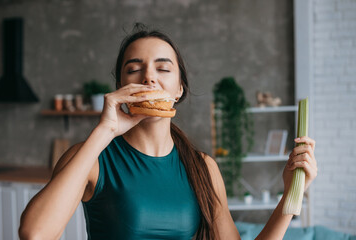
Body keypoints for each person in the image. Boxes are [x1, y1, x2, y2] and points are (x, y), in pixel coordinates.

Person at [19, 24, 318, 240]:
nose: (148, 77)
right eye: (134, 68)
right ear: (121, 85)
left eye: (163, 69)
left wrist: (291, 194)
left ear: (179, 90)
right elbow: (35, 233)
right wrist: (105, 131)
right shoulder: (93, 159)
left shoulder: (203, 168)